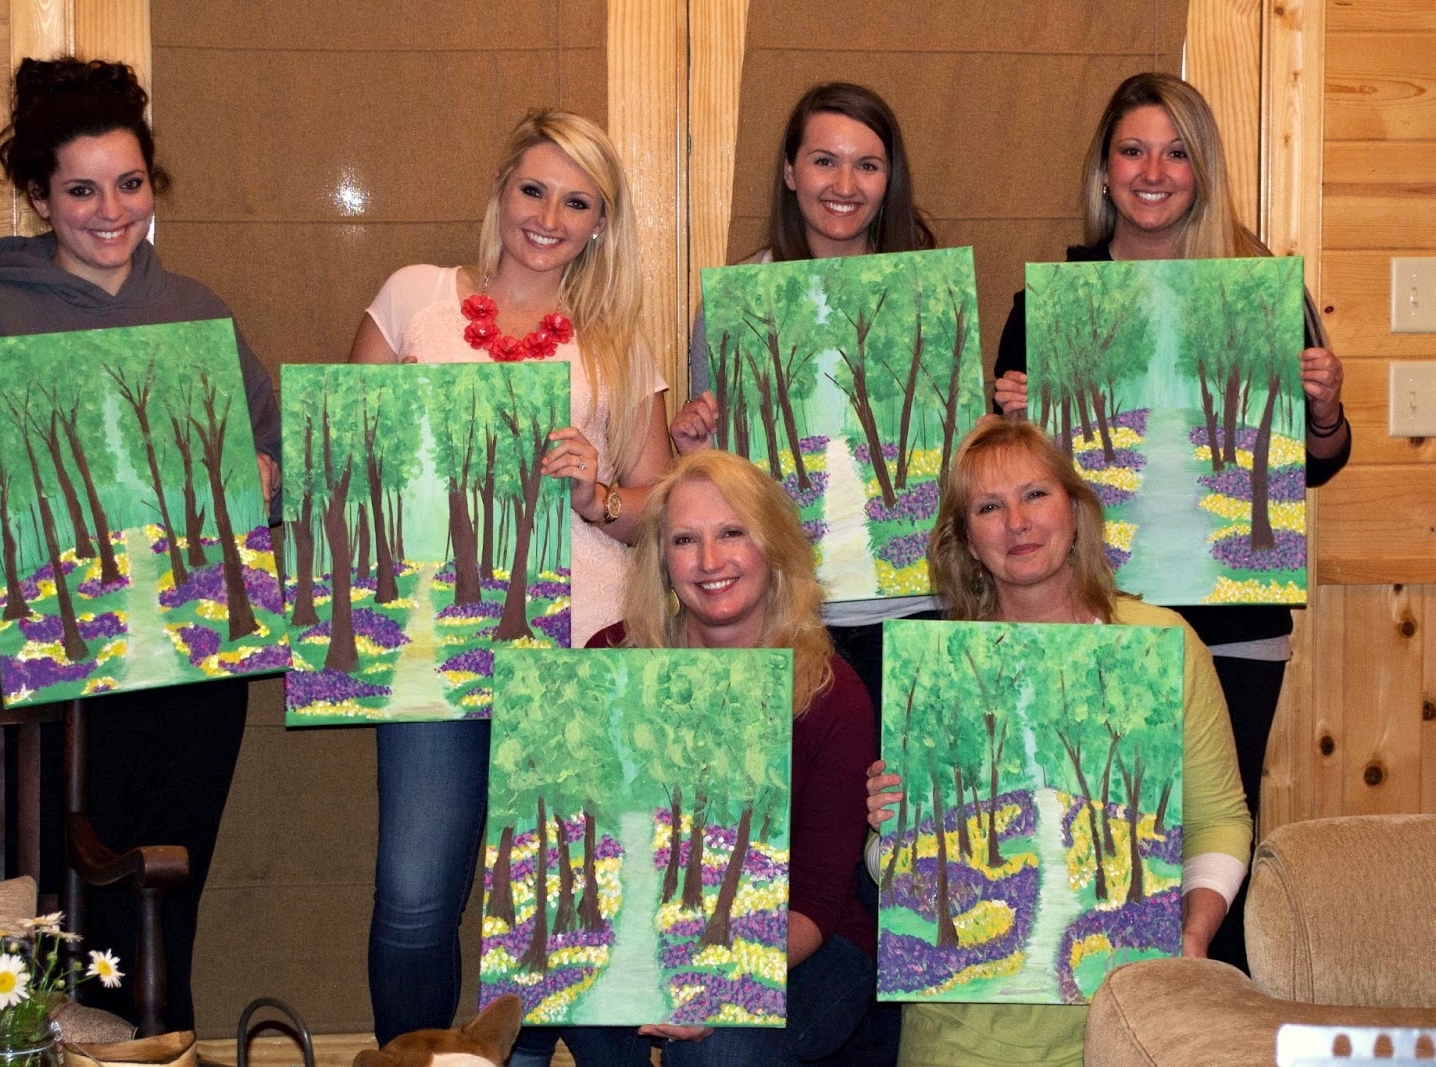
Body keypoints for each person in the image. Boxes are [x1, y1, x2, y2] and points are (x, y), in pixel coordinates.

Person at [0, 56, 281, 1030]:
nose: (111, 211)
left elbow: (275, 454)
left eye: (129, 183)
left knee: (167, 898)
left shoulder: (198, 314)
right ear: (39, 197)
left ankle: (163, 1046)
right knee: (62, 915)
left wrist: (267, 477)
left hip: (191, 674)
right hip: (53, 680)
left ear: (153, 185)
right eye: (81, 190)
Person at [989, 71, 1350, 969]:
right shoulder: (1048, 305)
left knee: (1212, 848)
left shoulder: (1261, 290)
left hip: (1234, 623)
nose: (1153, 172)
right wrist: (1016, 418)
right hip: (1092, 617)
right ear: (1104, 169)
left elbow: (1317, 462)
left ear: (1203, 168)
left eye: (1177, 152)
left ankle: (1206, 1019)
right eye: (1133, 150)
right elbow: (1006, 479)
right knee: (1094, 840)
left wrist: (1324, 409)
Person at [347, 109, 672, 1046]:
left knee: (553, 901)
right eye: (534, 189)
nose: (549, 217)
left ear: (601, 223)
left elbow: (661, 505)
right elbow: (350, 465)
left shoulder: (617, 340)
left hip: (576, 647)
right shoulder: (414, 298)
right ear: (500, 190)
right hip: (432, 639)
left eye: (578, 202)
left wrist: (596, 492)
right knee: (414, 895)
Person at [865, 418, 1253, 1066]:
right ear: (967, 541)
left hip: (1123, 1021)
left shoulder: (1161, 643)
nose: (1016, 522)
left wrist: (1192, 934)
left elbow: (1220, 821)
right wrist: (893, 833)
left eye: (1035, 495)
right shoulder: (937, 667)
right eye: (989, 507)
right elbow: (891, 872)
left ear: (1074, 510)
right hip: (961, 1032)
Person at [535, 448, 877, 1065]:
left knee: (721, 1048)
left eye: (732, 533)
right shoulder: (610, 661)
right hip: (642, 931)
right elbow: (577, 854)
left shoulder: (832, 695)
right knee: (585, 1005)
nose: (710, 561)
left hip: (803, 944)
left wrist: (709, 979)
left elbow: (818, 901)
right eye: (685, 540)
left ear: (773, 546)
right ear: (662, 560)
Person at [668, 81, 937, 727]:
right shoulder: (737, 302)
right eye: (824, 161)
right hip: (780, 618)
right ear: (790, 172)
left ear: (889, 179)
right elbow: (720, 482)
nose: (845, 184)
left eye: (867, 165)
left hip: (916, 611)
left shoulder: (926, 290)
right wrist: (700, 453)